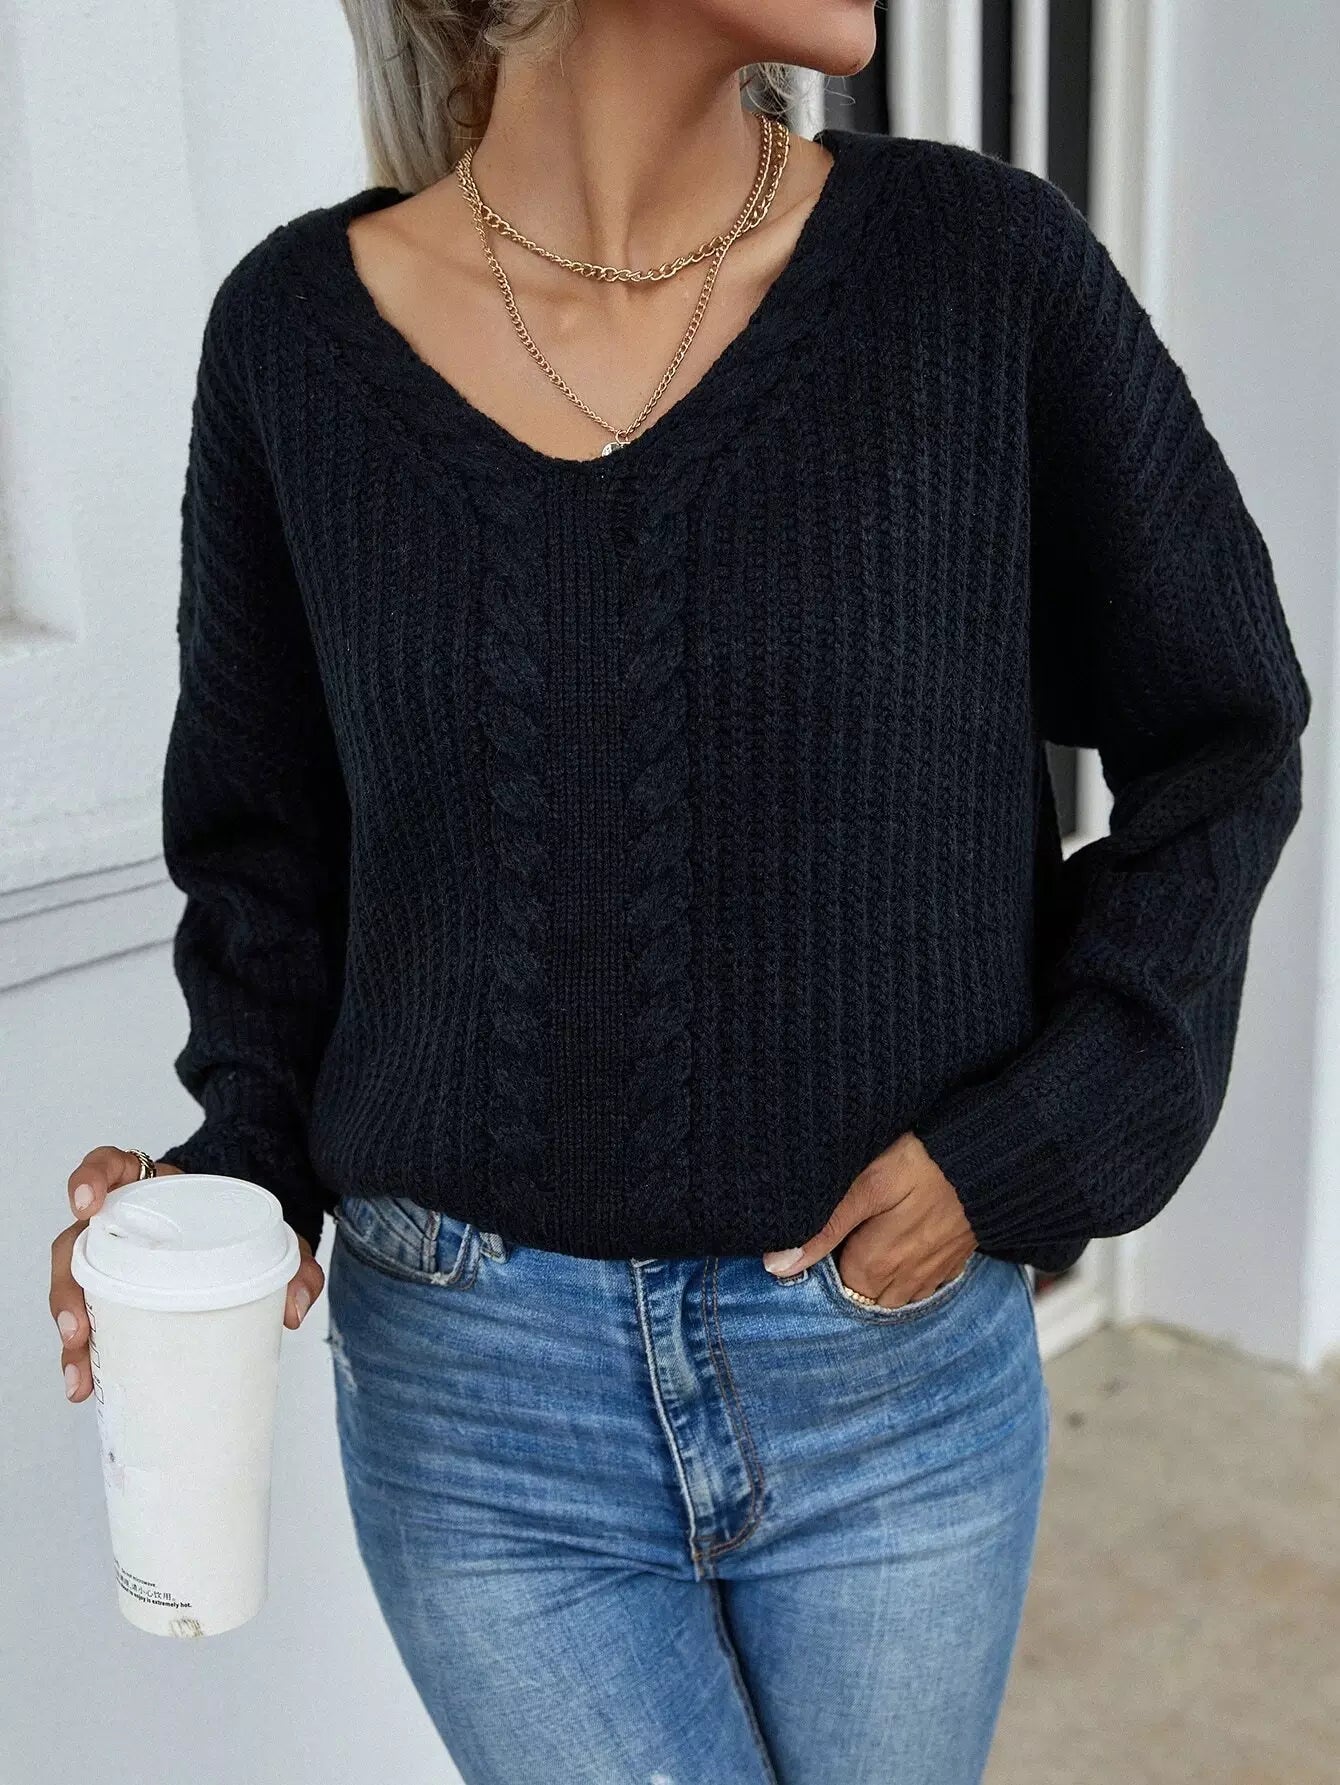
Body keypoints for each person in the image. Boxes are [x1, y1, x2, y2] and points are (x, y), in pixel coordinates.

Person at [49, 2, 1310, 1780]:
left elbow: (1227, 733)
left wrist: (1043, 1133)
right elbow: (268, 863)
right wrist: (228, 1180)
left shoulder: (980, 275)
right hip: (480, 1405)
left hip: (889, 1378)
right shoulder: (294, 345)